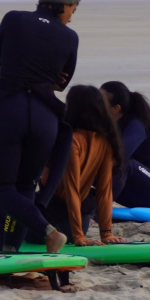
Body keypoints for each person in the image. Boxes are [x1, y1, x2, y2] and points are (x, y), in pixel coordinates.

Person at [0, 0, 82, 255]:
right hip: (46, 118)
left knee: (0, 190)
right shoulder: (70, 38)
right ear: (64, 4)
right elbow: (61, 83)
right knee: (24, 189)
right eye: (74, 8)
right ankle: (8, 249)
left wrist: (17, 65)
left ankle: (48, 232)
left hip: (8, 110)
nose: (72, 16)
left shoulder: (13, 19)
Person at [39, 84, 127, 247]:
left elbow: (71, 189)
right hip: (83, 221)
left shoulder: (70, 140)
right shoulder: (106, 141)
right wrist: (106, 233)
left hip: (54, 222)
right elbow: (105, 190)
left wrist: (78, 237)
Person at [101, 80, 150, 209]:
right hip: (132, 192)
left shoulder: (137, 124)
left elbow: (119, 157)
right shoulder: (111, 125)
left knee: (124, 163)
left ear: (116, 108)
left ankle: (100, 213)